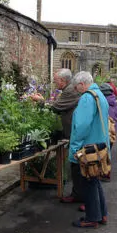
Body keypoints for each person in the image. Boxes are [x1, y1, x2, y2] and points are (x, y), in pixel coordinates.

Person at [31, 68, 82, 203]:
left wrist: (40, 101)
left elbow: (55, 107)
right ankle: (78, 194)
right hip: (72, 131)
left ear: (63, 81)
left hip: (74, 131)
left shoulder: (70, 91)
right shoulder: (68, 90)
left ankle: (79, 195)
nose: (54, 83)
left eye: (56, 80)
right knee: (76, 164)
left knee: (77, 164)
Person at [69, 71, 109, 228]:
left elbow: (81, 126)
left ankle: (92, 218)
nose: (76, 89)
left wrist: (74, 148)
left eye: (76, 86)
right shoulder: (99, 94)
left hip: (88, 148)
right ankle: (102, 214)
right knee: (95, 181)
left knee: (88, 182)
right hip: (98, 146)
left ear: (81, 84)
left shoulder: (87, 97)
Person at [98, 82, 117, 182]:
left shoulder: (105, 103)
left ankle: (105, 174)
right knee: (107, 153)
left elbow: (107, 120)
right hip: (113, 131)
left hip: (108, 132)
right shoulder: (112, 101)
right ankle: (105, 172)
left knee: (104, 154)